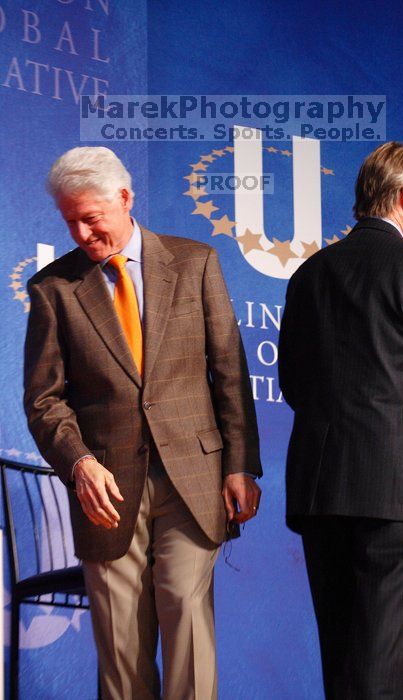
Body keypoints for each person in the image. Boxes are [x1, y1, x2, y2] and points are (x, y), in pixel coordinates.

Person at [24, 146, 262, 700]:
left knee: (187, 616)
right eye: (70, 221)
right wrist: (78, 461)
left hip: (194, 475)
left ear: (125, 199)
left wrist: (240, 466)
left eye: (92, 217)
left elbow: (229, 371)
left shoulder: (196, 260)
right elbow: (43, 400)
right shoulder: (52, 289)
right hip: (105, 488)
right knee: (122, 648)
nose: (82, 233)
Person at [278, 141, 403, 699]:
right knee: (379, 674)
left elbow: (293, 384)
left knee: (343, 671)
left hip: (320, 493)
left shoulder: (308, 275)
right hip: (395, 495)